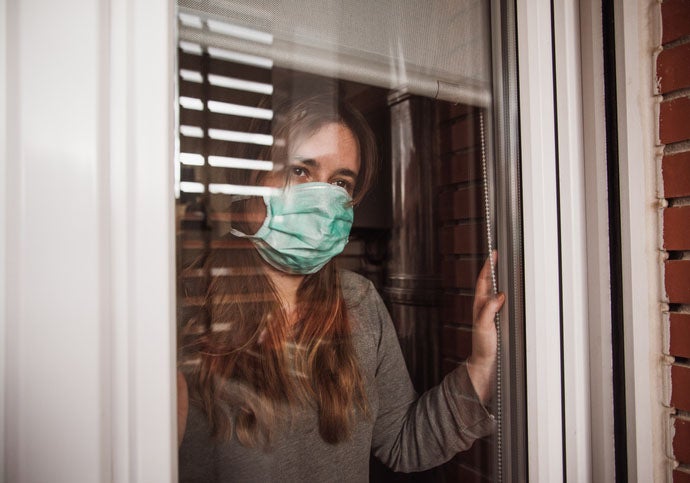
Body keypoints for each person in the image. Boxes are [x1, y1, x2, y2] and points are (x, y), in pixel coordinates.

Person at [177, 95, 506, 482]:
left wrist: (481, 365)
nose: (322, 198)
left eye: (339, 182)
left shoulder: (359, 301)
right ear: (250, 179)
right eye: (300, 170)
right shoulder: (184, 308)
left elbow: (401, 441)